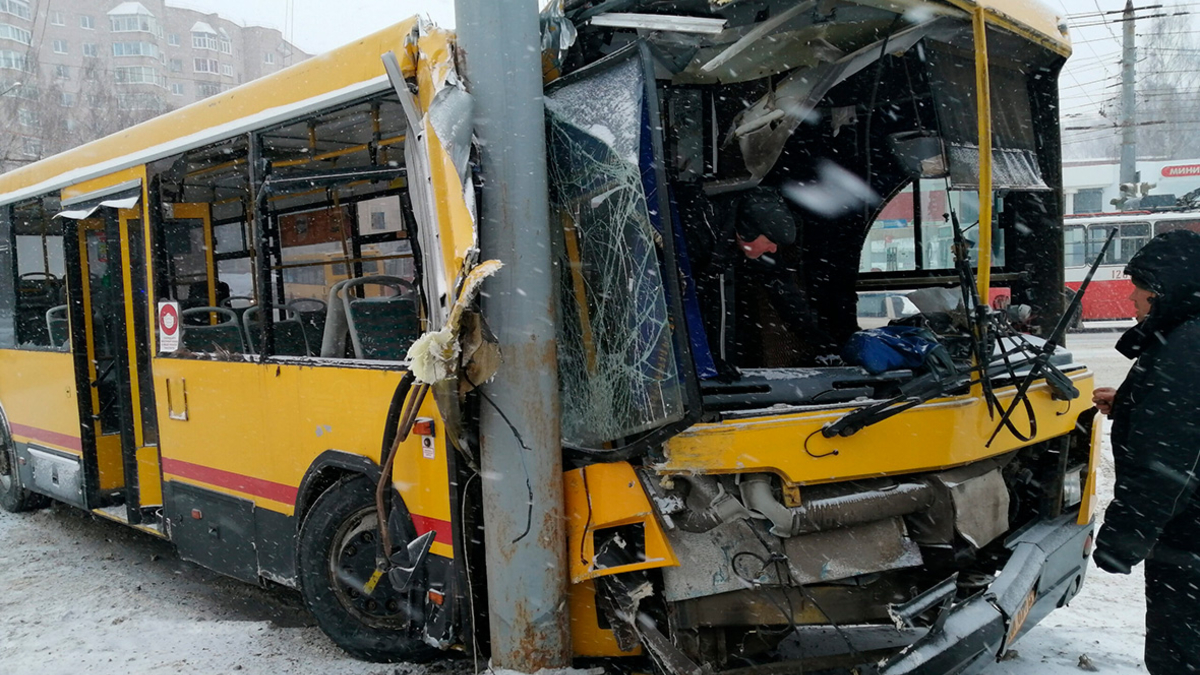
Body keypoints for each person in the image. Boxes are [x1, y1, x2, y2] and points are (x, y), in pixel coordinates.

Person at [1091, 229, 1200, 674]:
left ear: (1166, 288)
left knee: (1180, 654)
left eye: (1141, 285)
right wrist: (1132, 402)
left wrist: (1121, 542)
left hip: (1189, 541)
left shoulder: (1187, 346)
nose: (1132, 296)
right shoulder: (1189, 336)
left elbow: (1168, 465)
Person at [683, 185, 835, 375]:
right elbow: (683, 301)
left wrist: (820, 340)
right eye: (770, 242)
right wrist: (704, 359)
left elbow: (784, 290)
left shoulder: (746, 238)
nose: (773, 249)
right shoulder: (696, 231)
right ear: (748, 231)